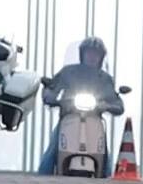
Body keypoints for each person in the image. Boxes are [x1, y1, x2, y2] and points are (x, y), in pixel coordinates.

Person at [37, 37, 122, 176]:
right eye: (89, 52)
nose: (92, 57)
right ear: (82, 54)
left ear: (101, 57)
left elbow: (115, 100)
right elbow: (53, 88)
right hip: (69, 118)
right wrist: (50, 96)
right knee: (52, 150)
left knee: (105, 154)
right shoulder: (68, 72)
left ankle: (106, 179)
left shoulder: (105, 79)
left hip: (94, 120)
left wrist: (108, 105)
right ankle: (41, 182)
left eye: (96, 54)